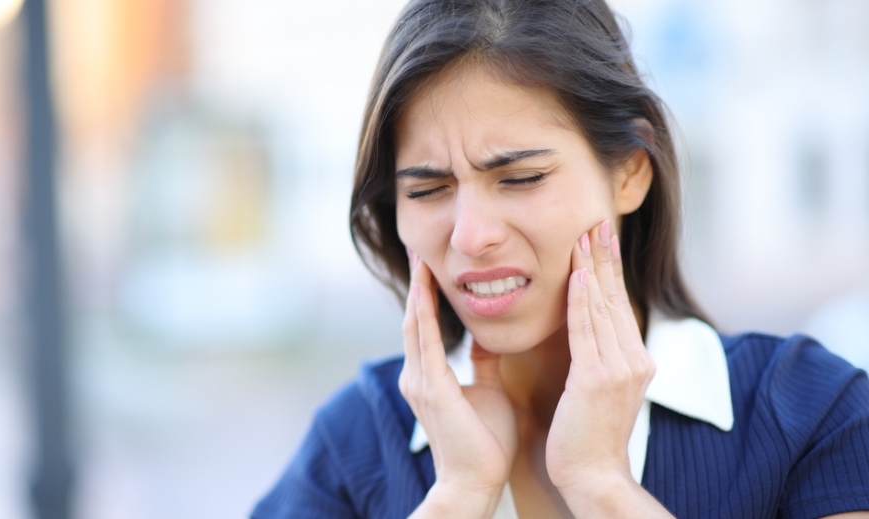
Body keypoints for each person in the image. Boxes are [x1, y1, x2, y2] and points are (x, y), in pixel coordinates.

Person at [251, 0, 869, 517]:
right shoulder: (354, 443)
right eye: (428, 190)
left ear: (630, 173)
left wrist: (603, 487)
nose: (470, 236)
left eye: (520, 178)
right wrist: (459, 496)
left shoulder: (815, 417)